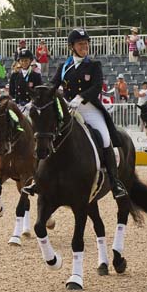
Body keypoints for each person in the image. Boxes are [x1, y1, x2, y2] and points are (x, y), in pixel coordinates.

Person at [24, 29, 128, 199]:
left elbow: (96, 87)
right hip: (68, 108)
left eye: (86, 43)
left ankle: (115, 182)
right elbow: (52, 84)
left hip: (89, 108)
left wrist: (81, 97)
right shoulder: (64, 66)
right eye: (80, 44)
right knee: (47, 136)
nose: (84, 46)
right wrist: (36, 99)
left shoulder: (94, 65)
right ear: (72, 46)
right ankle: (38, 180)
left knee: (105, 138)